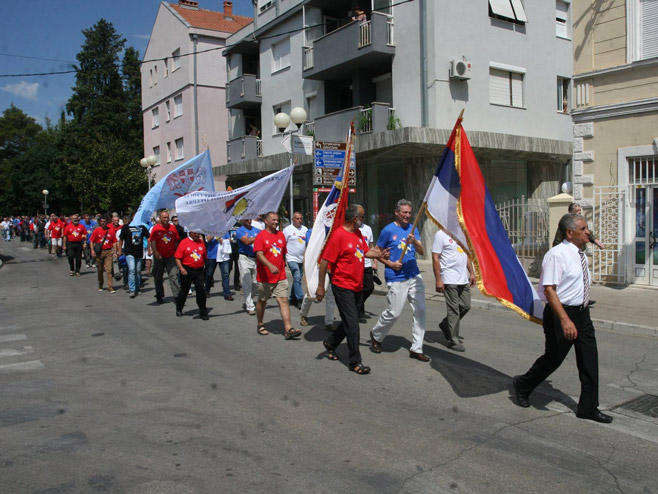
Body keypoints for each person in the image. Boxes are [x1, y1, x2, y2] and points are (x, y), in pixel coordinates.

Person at [512, 213, 612, 424]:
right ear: (569, 232)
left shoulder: (580, 252)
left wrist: (593, 240)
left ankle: (588, 408)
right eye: (584, 229)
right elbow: (549, 290)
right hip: (561, 314)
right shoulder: (557, 255)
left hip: (583, 314)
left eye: (587, 228)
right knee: (553, 359)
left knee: (589, 361)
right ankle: (523, 384)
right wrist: (566, 320)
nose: (588, 231)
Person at [317, 204, 389, 374]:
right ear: (355, 218)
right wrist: (321, 286)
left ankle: (331, 343)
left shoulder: (357, 234)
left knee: (351, 320)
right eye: (362, 216)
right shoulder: (338, 236)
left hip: (357, 285)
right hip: (342, 286)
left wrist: (379, 254)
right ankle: (355, 362)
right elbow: (324, 262)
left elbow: (364, 251)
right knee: (353, 325)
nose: (363, 220)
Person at [370, 199, 430, 362]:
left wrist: (415, 241)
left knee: (420, 311)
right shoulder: (388, 231)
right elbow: (377, 252)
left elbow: (422, 251)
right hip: (396, 277)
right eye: (404, 212)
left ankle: (416, 348)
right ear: (397, 212)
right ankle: (376, 334)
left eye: (409, 213)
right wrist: (390, 263)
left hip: (413, 275)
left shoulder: (413, 228)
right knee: (394, 312)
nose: (407, 216)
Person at [253, 212, 302, 339]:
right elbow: (259, 254)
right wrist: (269, 265)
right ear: (266, 221)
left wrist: (283, 264)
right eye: (273, 220)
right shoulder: (261, 236)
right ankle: (260, 324)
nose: (275, 222)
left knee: (283, 300)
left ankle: (288, 329)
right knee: (262, 301)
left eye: (277, 220)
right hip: (265, 277)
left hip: (280, 276)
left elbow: (283, 253)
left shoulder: (281, 235)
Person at [432, 230, 475, 352]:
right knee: (453, 310)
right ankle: (453, 340)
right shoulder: (440, 234)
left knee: (466, 306)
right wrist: (438, 279)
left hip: (462, 278)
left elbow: (466, 254)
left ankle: (446, 324)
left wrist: (471, 272)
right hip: (448, 277)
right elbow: (435, 257)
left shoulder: (462, 233)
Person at [299, 228, 336, 330]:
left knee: (330, 296)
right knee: (311, 292)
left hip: (331, 266)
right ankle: (303, 314)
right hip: (318, 266)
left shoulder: (337, 230)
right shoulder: (313, 231)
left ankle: (329, 321)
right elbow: (311, 246)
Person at [174, 231, 209, 320]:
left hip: (199, 270)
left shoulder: (201, 242)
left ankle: (203, 311)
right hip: (187, 270)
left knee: (201, 291)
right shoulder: (184, 242)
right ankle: (179, 308)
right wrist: (181, 269)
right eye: (194, 233)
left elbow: (204, 256)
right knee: (184, 290)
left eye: (198, 233)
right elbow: (177, 258)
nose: (196, 235)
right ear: (189, 233)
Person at [150, 210, 181, 304]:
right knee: (158, 277)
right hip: (159, 256)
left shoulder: (173, 228)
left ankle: (177, 296)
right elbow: (153, 241)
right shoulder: (156, 229)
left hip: (171, 256)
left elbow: (176, 240)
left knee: (173, 276)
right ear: (160, 218)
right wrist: (155, 252)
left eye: (167, 217)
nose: (166, 219)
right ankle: (159, 295)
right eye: (164, 217)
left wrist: (177, 253)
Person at [118, 218, 150, 298]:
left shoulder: (142, 227)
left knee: (138, 271)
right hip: (129, 252)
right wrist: (119, 250)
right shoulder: (126, 227)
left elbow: (149, 237)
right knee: (132, 269)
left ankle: (137, 287)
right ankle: (132, 289)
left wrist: (149, 248)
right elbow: (121, 239)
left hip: (139, 252)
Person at [283, 211, 307, 309]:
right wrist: (283, 258)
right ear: (293, 219)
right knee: (297, 276)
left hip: (302, 258)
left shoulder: (305, 229)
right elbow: (283, 244)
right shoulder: (287, 230)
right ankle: (300, 299)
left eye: (301, 218)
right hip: (291, 258)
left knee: (297, 279)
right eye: (297, 219)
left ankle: (292, 298)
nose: (299, 221)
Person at [236, 219, 261, 315]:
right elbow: (246, 242)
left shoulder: (256, 230)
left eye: (250, 219)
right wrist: (258, 237)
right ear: (242, 220)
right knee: (247, 282)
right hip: (244, 258)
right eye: (247, 219)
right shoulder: (240, 231)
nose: (249, 221)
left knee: (256, 282)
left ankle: (249, 299)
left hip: (255, 258)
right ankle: (250, 306)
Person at [356, 221, 377, 322]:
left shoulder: (368, 228)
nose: (361, 219)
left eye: (363, 217)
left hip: (367, 264)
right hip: (357, 263)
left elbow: (371, 246)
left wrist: (375, 262)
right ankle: (359, 313)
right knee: (359, 289)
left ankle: (356, 305)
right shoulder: (352, 229)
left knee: (369, 287)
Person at [89, 216, 116, 293]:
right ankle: (100, 284)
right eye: (101, 221)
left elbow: (114, 241)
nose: (103, 223)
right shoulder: (97, 230)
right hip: (99, 252)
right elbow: (91, 241)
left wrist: (115, 251)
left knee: (109, 270)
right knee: (100, 270)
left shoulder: (111, 230)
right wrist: (92, 250)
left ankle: (110, 287)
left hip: (108, 252)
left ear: (107, 222)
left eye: (104, 221)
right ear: (99, 222)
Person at [216, 233, 234, 300]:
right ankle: (206, 291)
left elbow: (229, 239)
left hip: (223, 256)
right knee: (209, 274)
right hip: (212, 255)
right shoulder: (210, 230)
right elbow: (208, 239)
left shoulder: (224, 230)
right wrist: (216, 237)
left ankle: (227, 293)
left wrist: (224, 240)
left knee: (225, 275)